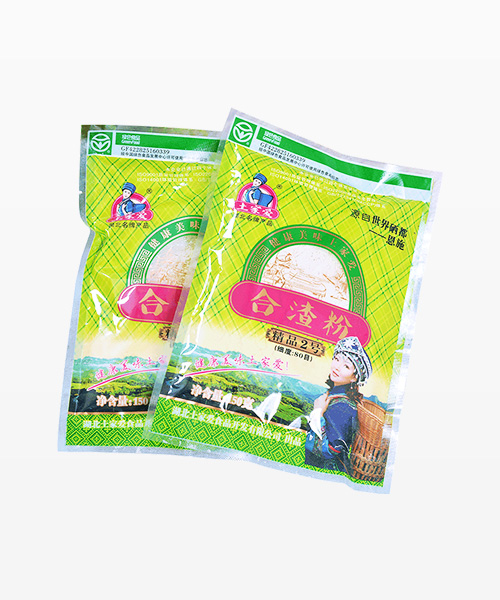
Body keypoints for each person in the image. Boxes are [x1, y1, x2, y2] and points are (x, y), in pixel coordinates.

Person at [305, 336, 372, 474]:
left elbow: (330, 450)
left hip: (327, 474)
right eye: (336, 359)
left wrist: (318, 413)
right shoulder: (333, 396)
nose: (337, 367)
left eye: (346, 366)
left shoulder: (344, 408)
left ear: (354, 377)